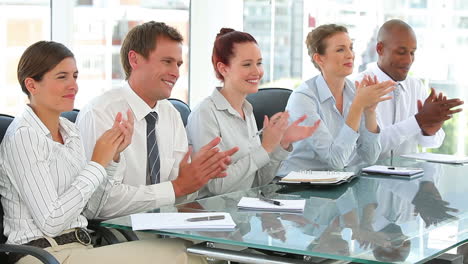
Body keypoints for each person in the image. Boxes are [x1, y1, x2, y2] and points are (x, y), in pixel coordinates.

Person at [0, 40, 203, 264]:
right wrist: (97, 164)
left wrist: (112, 160)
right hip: (43, 255)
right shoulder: (23, 136)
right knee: (182, 256)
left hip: (81, 247)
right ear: (32, 85)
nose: (73, 86)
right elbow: (51, 221)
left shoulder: (70, 131)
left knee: (192, 249)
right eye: (62, 77)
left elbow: (91, 208)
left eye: (74, 76)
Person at [76, 21, 237, 218]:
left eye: (178, 64)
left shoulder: (171, 114)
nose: (176, 73)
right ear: (134, 60)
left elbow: (178, 193)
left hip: (165, 226)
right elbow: (100, 205)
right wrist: (177, 187)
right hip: (117, 235)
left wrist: (196, 178)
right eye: (167, 61)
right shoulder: (101, 113)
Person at [186, 28, 320, 197]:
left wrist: (281, 144)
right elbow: (216, 186)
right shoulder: (205, 114)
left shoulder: (247, 111)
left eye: (259, 63)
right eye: (247, 64)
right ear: (223, 69)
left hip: (245, 215)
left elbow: (259, 182)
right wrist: (265, 148)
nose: (257, 71)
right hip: (215, 216)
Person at [278, 24, 395, 175]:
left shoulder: (354, 91)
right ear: (319, 58)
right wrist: (357, 107)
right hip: (298, 187)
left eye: (350, 48)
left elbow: (370, 157)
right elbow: (335, 161)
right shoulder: (303, 98)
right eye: (340, 49)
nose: (350, 55)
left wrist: (370, 111)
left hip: (336, 183)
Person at [354, 19, 464, 160]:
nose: (408, 60)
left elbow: (430, 142)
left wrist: (429, 130)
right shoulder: (357, 86)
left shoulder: (416, 85)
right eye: (401, 52)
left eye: (412, 53)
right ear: (380, 49)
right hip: (367, 179)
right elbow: (369, 148)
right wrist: (419, 120)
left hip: (408, 179)